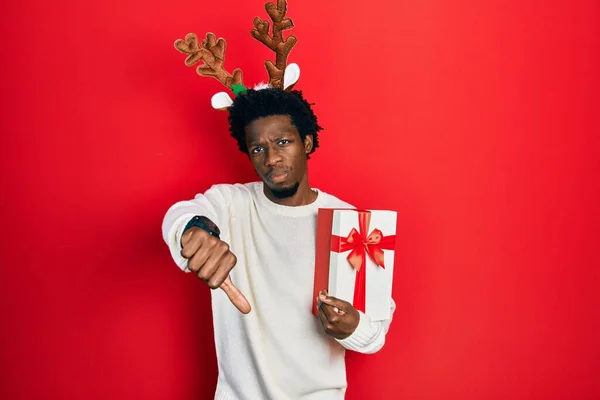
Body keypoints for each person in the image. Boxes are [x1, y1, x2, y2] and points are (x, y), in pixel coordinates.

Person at [162, 87, 395, 399]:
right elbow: (181, 214)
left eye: (283, 142)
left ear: (307, 142)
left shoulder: (352, 223)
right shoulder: (233, 204)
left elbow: (375, 335)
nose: (271, 159)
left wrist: (353, 327)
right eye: (258, 149)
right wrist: (196, 230)